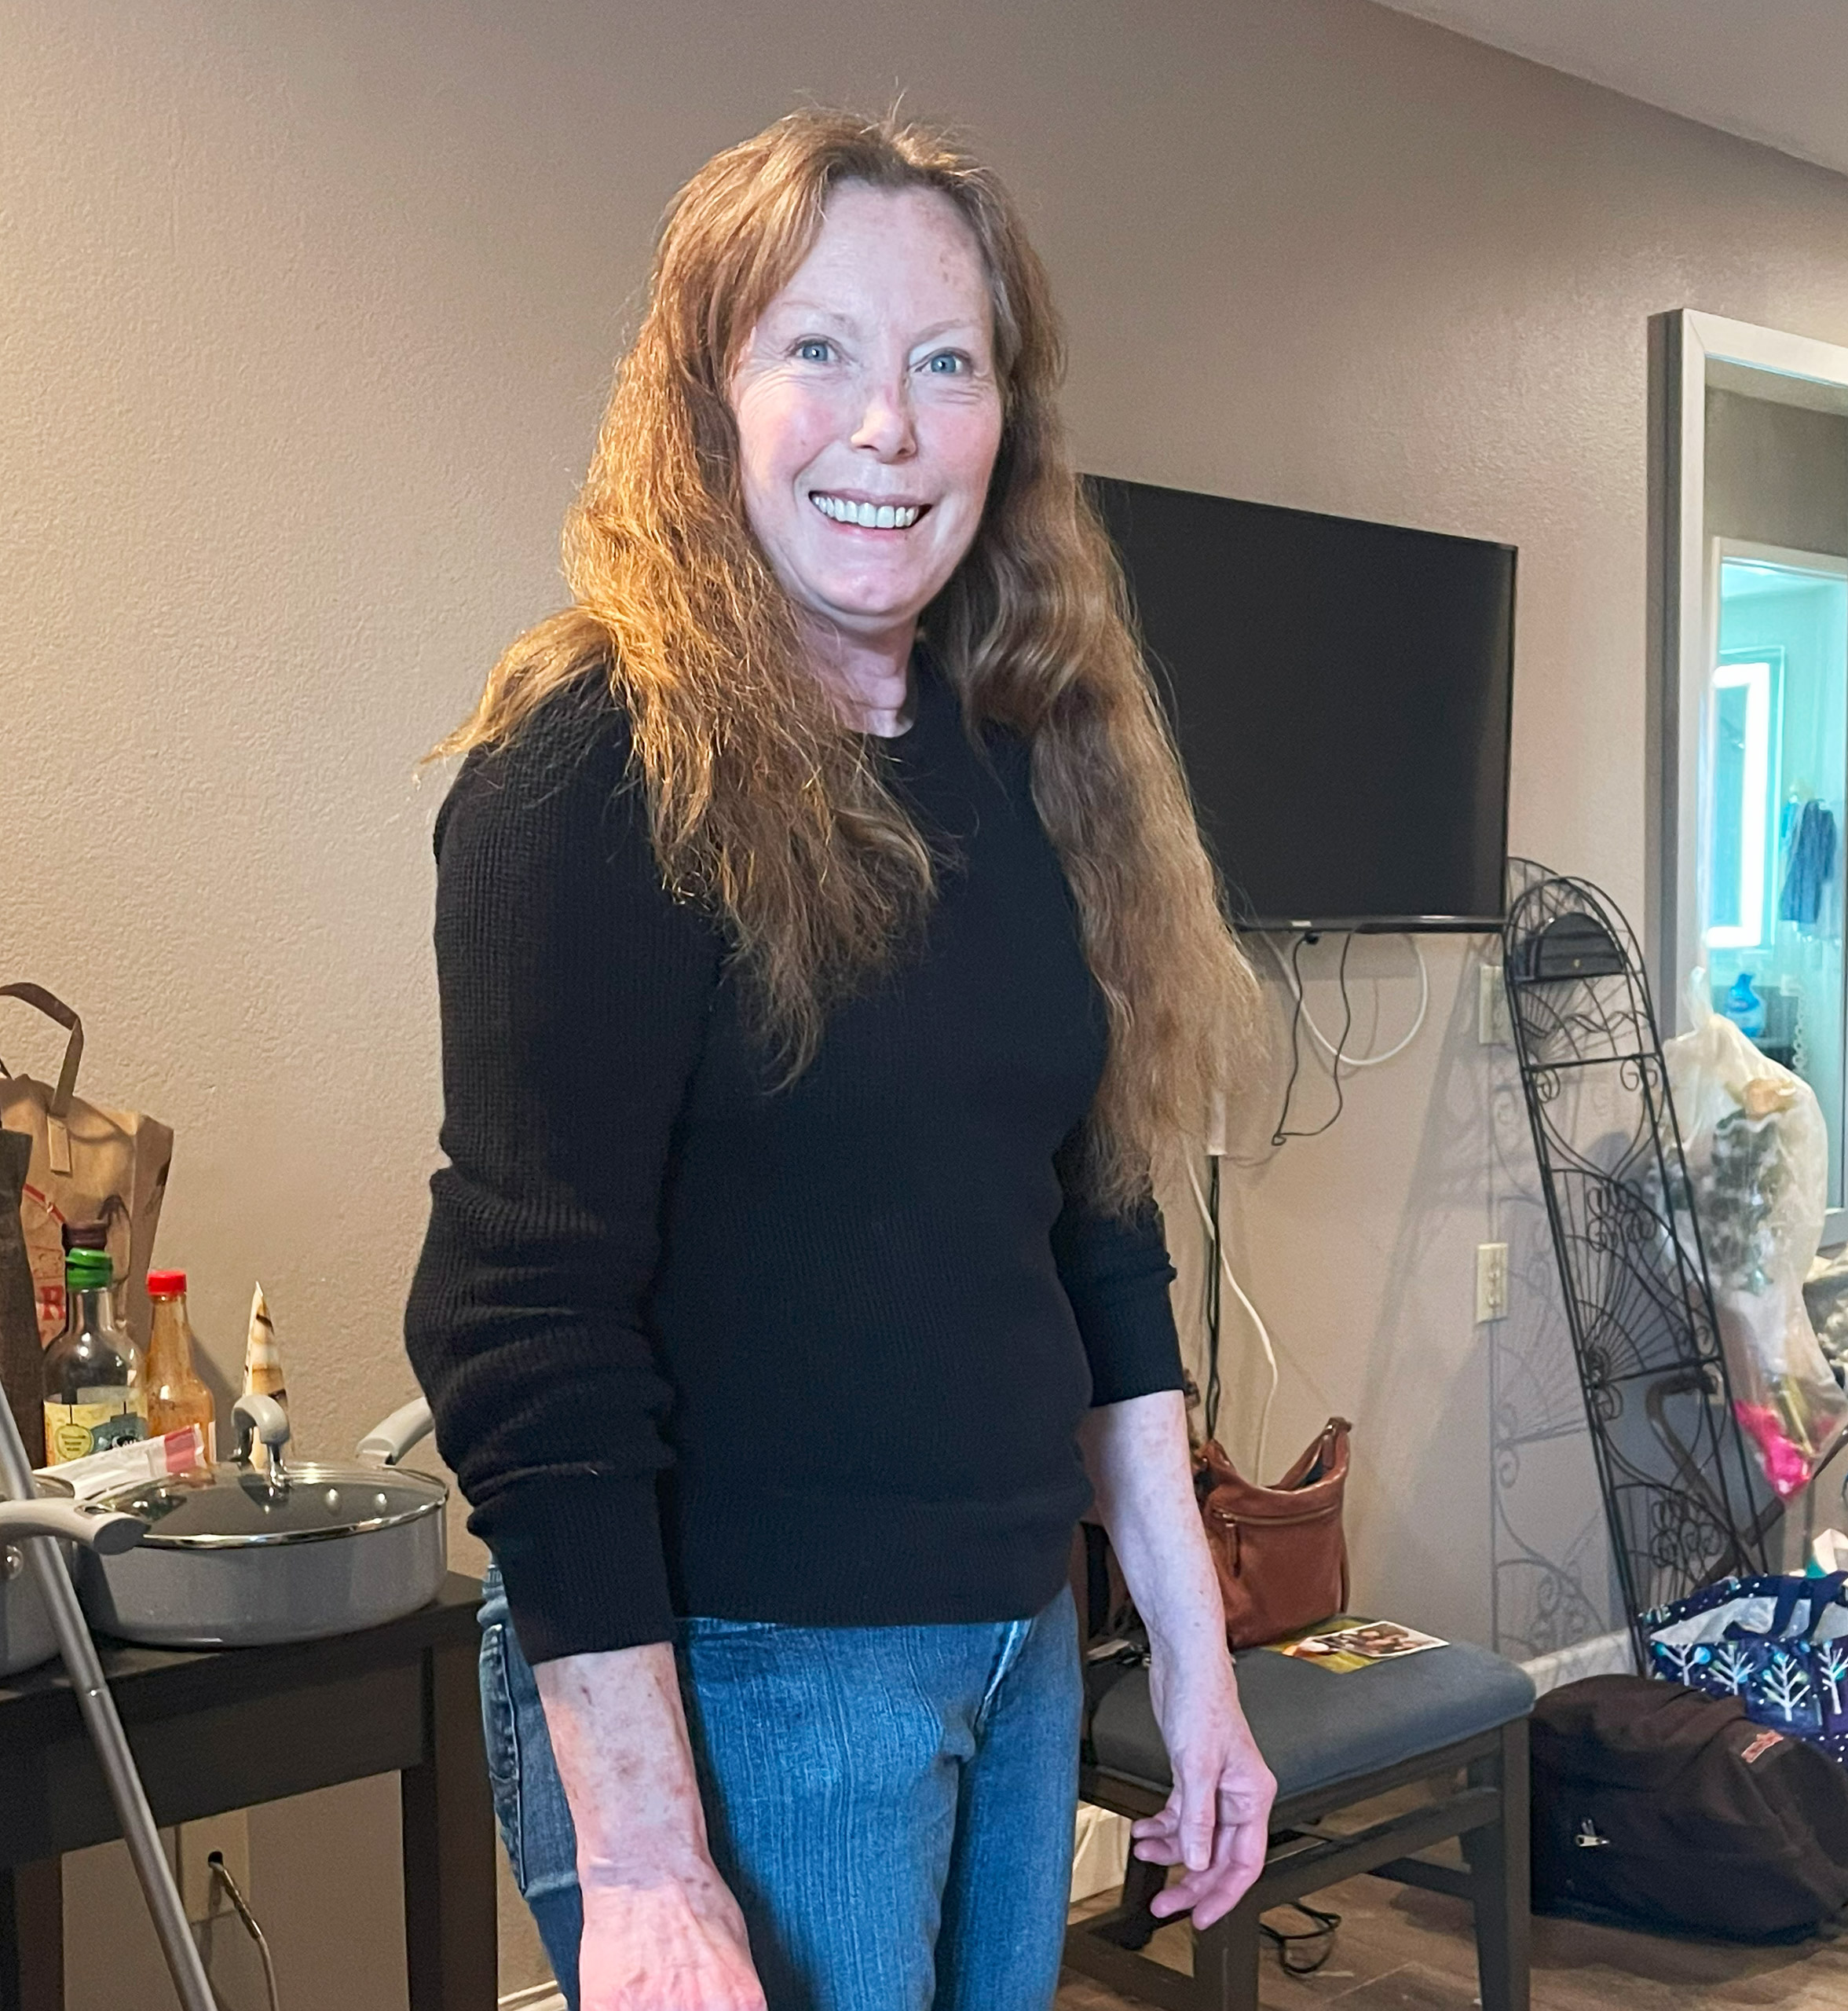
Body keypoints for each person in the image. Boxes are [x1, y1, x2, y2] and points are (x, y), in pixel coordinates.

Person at [405, 107, 1272, 2011]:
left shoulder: (1026, 759)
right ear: (704, 396)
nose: (888, 424)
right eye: (817, 349)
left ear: (1005, 422)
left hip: (1009, 1642)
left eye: (944, 364)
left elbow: (1099, 1234)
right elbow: (520, 1321)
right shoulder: (591, 769)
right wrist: (641, 1860)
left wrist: (1197, 1658)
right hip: (743, 1671)